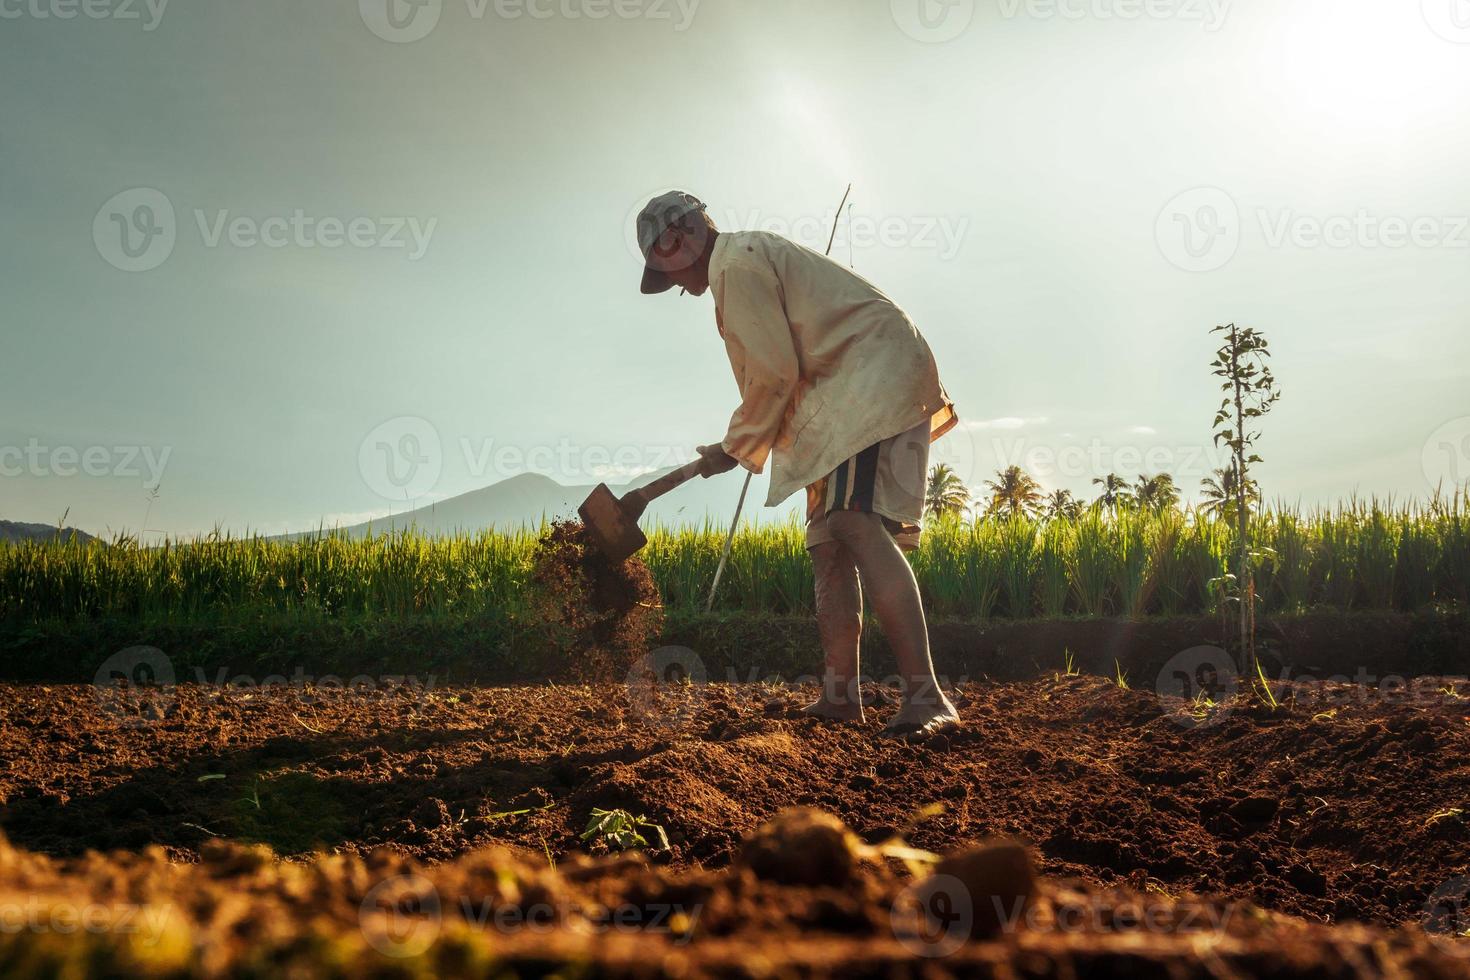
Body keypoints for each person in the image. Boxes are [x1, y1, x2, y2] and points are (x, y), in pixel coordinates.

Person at [635, 190, 962, 737]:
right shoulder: (736, 266)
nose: (676, 286)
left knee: (853, 525)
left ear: (680, 239)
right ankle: (840, 696)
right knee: (828, 542)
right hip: (841, 392)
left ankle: (928, 699)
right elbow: (776, 373)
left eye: (667, 268)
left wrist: (735, 445)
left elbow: (774, 373)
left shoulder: (736, 266)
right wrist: (738, 444)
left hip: (863, 380)